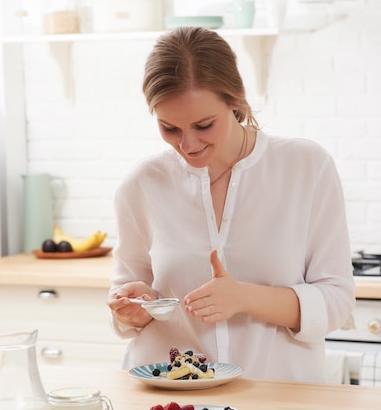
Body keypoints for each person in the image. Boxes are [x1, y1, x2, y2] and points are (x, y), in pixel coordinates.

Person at [107, 26, 355, 382]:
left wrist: (245, 297)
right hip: (173, 406)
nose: (188, 144)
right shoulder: (141, 184)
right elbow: (130, 291)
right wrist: (134, 309)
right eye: (169, 128)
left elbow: (336, 300)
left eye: (204, 125)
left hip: (280, 399)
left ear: (235, 101)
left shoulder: (306, 167)